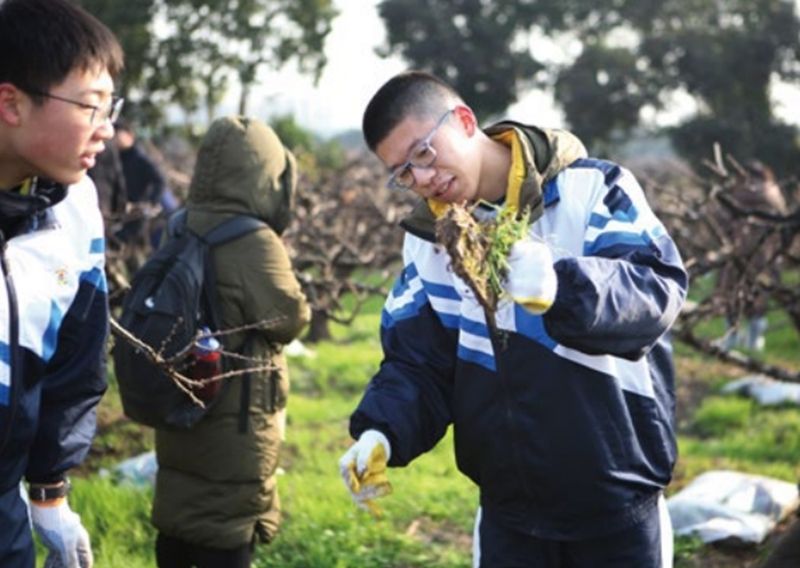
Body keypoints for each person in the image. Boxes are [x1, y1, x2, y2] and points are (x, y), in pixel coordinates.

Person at [338, 70, 688, 568]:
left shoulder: (592, 190)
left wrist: (562, 285)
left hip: (616, 507)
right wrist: (381, 431)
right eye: (403, 173)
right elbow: (419, 363)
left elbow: (656, 290)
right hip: (510, 515)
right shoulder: (428, 242)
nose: (422, 178)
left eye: (423, 153)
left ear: (463, 120)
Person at [151, 116, 310, 568]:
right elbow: (290, 319)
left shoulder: (179, 225)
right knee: (226, 529)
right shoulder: (254, 241)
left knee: (180, 519)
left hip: (182, 399)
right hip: (236, 415)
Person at [0, 0, 124, 566]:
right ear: (11, 103)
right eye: (90, 107)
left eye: (110, 107)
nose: (107, 129)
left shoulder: (76, 208)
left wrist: (48, 492)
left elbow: (76, 361)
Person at [713, 160, 787, 352]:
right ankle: (755, 339)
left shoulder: (738, 192)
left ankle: (732, 337)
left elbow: (721, 218)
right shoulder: (773, 193)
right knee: (758, 295)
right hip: (764, 253)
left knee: (732, 293)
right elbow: (783, 221)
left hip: (736, 251)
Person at [113, 119, 169, 271]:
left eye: (118, 134)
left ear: (129, 135)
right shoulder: (116, 157)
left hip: (138, 213)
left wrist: (150, 202)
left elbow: (160, 180)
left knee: (135, 252)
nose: (115, 139)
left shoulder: (139, 157)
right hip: (122, 211)